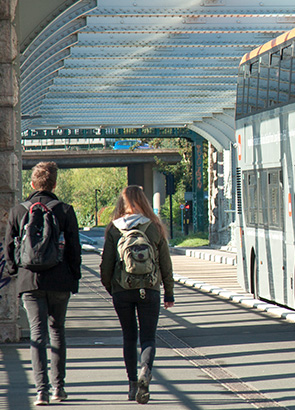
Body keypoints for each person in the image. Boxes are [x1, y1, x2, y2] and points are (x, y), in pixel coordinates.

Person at [4, 161, 82, 406]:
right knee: (58, 332)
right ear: (55, 184)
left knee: (38, 335)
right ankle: (59, 388)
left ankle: (41, 391)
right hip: (60, 280)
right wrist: (74, 276)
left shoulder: (19, 211)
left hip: (30, 280)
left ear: (32, 183)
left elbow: (8, 247)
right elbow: (74, 249)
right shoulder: (65, 210)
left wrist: (14, 270)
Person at [100, 185, 175, 404]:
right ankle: (146, 372)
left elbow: (106, 265)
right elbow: (165, 264)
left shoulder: (114, 229)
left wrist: (111, 287)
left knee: (129, 336)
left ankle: (132, 385)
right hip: (149, 289)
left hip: (122, 290)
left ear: (121, 204)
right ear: (143, 201)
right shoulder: (154, 227)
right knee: (149, 337)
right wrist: (168, 292)